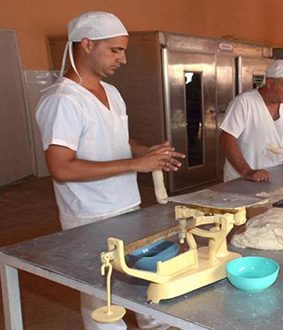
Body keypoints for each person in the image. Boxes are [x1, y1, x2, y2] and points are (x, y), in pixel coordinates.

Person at [35, 12, 185, 330]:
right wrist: (135, 165)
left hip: (127, 208)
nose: (124, 59)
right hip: (89, 217)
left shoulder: (111, 93)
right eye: (116, 50)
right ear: (87, 44)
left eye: (124, 50)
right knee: (102, 300)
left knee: (143, 281)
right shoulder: (63, 100)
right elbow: (61, 168)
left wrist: (148, 154)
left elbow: (118, 140)